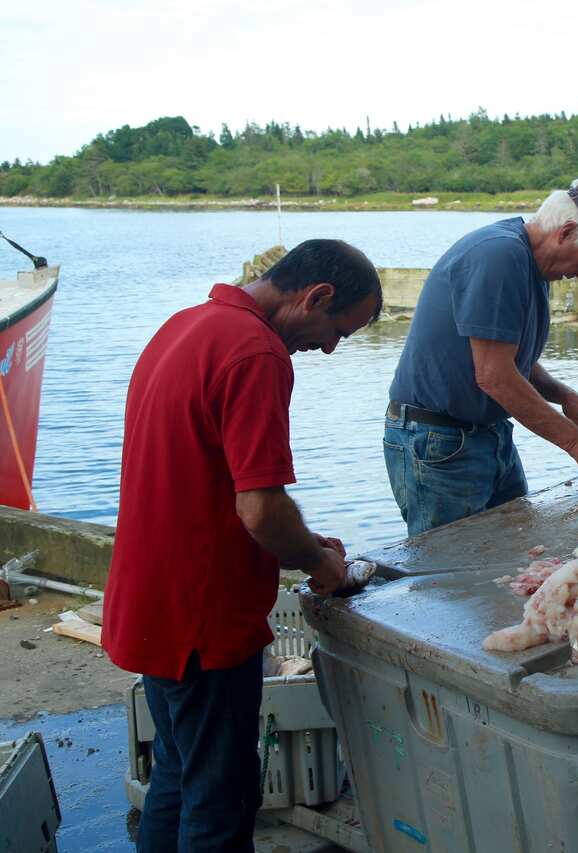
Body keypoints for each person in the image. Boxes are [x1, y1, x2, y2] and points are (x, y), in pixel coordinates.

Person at [102, 239, 383, 852]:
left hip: (150, 601)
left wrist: (306, 540)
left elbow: (203, 483)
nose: (331, 347)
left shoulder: (185, 325)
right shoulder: (256, 352)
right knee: (222, 799)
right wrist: (320, 563)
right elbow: (259, 509)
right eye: (339, 329)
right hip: (203, 620)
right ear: (317, 296)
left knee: (177, 777)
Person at [385, 179, 578, 536]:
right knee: (451, 578)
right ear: (564, 233)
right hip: (438, 443)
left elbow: (509, 355)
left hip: (488, 434)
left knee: (515, 555)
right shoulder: (499, 256)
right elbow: (494, 375)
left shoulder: (531, 264)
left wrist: (565, 396)